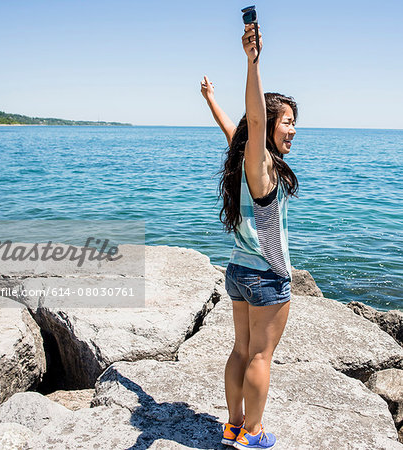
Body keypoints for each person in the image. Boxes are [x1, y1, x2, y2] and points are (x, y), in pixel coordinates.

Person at [201, 22, 299, 449]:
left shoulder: (246, 159)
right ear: (269, 125)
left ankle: (232, 425)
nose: (293, 130)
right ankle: (252, 435)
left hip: (238, 270)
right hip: (266, 274)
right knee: (260, 356)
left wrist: (211, 101)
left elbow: (236, 129)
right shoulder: (262, 166)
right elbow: (253, 118)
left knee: (241, 351)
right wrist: (252, 61)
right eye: (288, 123)